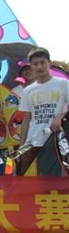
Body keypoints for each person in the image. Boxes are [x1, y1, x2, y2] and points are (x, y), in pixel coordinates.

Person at [18, 47, 69, 176]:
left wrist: (59, 117)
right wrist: (21, 145)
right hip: (33, 140)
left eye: (42, 62)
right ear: (31, 66)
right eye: (35, 64)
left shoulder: (63, 84)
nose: (39, 67)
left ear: (49, 63)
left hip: (55, 140)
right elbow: (26, 119)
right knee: (27, 179)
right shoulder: (28, 90)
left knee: (52, 179)